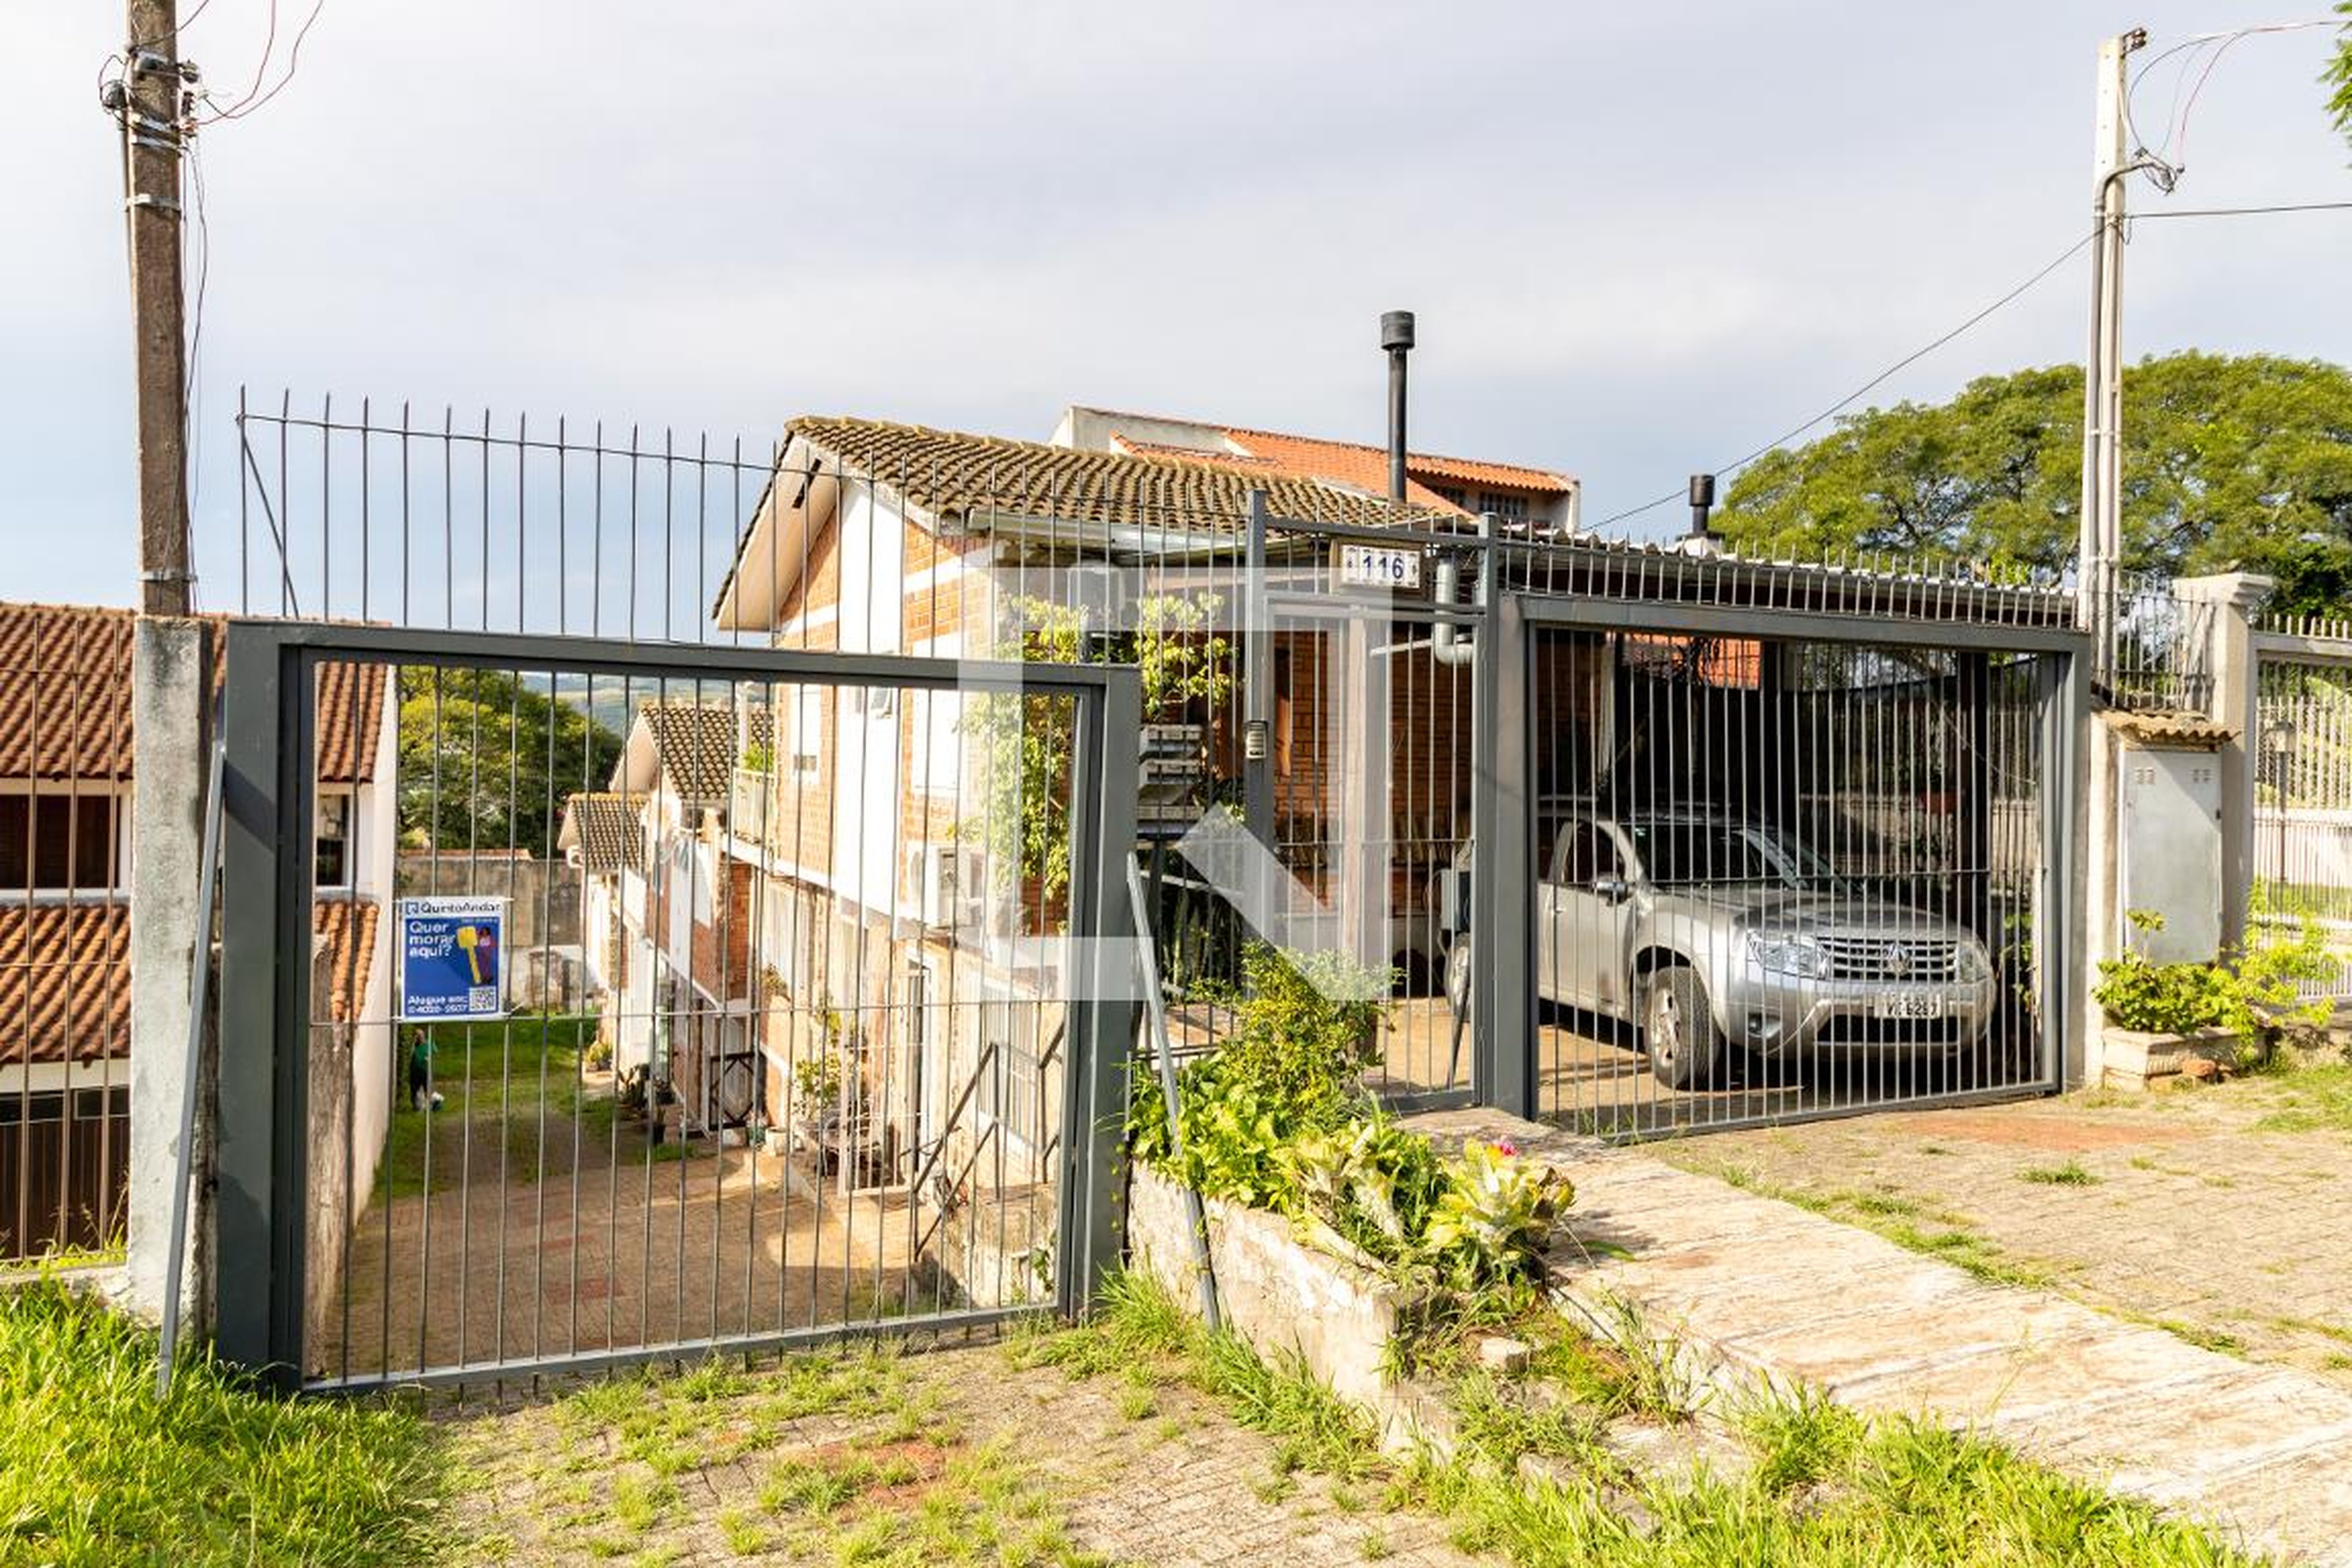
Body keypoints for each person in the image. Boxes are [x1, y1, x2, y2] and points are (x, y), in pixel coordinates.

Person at [407, 1027, 437, 1112]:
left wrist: (429, 1058)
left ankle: (430, 1107)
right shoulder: (414, 1046)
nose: (420, 1037)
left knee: (428, 1089)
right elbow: (410, 1055)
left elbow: (435, 1053)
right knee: (414, 1090)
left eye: (421, 1035)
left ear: (424, 1035)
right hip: (415, 1071)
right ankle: (415, 1107)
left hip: (426, 1070)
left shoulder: (429, 1044)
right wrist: (413, 1042)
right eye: (417, 1035)